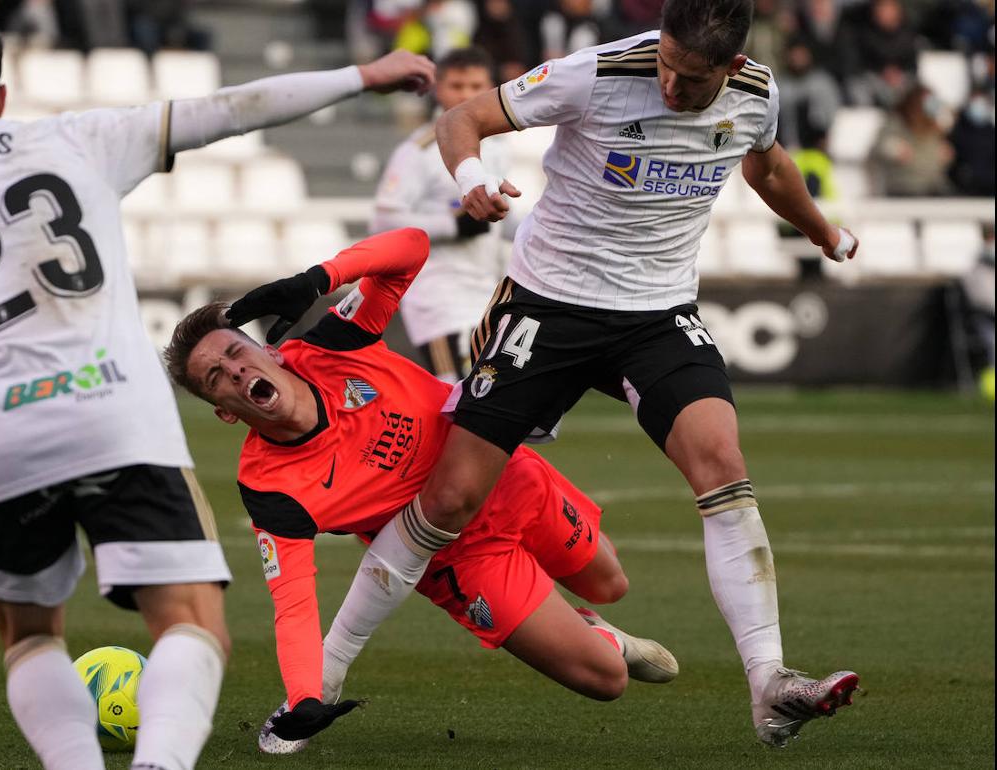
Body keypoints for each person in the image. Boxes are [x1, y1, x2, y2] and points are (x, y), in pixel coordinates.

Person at [227, 0, 863, 750]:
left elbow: (766, 163)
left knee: (722, 465)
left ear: (729, 68)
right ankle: (322, 684)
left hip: (657, 313)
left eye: (689, 81)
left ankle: (769, 682)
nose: (667, 87)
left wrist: (821, 230)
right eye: (662, 64)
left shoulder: (757, 93)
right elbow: (459, 119)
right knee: (450, 499)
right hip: (548, 306)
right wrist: (469, 178)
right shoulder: (595, 73)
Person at [0, 9, 435, 770]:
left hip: (4, 443)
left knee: (33, 638)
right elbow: (232, 110)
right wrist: (361, 76)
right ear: (2, 94)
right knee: (192, 626)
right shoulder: (75, 140)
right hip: (118, 420)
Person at [166, 229, 678, 753]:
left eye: (236, 352)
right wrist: (305, 695)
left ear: (269, 352)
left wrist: (318, 278)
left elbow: (411, 247)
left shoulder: (332, 345)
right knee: (606, 679)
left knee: (609, 583)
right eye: (216, 378)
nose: (235, 370)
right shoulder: (271, 487)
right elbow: (293, 603)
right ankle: (601, 638)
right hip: (457, 557)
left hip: (508, 479)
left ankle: (587, 617)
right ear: (225, 411)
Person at [370, 48, 511, 382]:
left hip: (485, 293)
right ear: (439, 88)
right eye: (457, 85)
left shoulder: (494, 147)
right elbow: (383, 221)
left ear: (490, 87)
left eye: (475, 86)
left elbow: (506, 222)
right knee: (455, 399)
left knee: (487, 406)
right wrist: (453, 224)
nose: (466, 95)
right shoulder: (419, 151)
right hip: (440, 298)